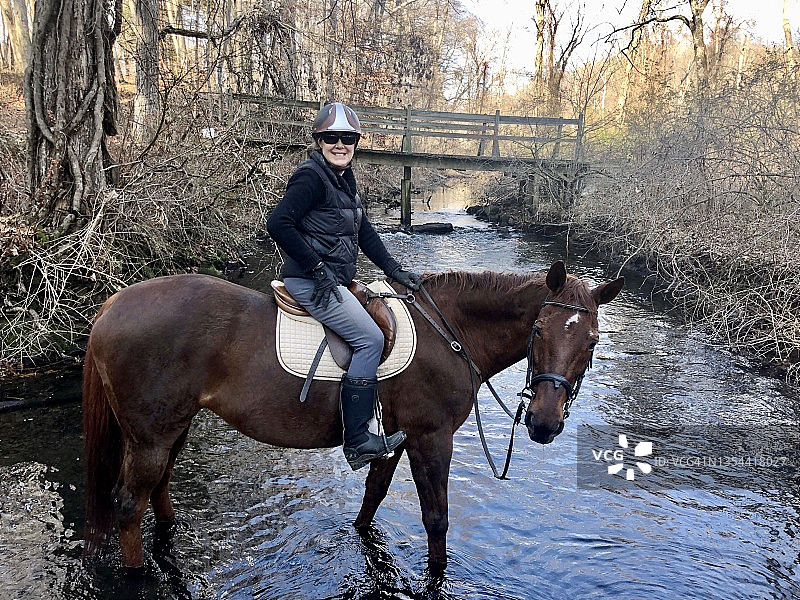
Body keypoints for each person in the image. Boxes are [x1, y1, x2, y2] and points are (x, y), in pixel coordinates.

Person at [267, 102, 422, 471]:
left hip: (334, 278)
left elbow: (364, 233)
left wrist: (395, 270)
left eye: (348, 138)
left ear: (355, 142)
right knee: (370, 339)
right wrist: (317, 268)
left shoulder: (345, 180)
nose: (341, 144)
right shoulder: (311, 177)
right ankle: (357, 440)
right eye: (332, 138)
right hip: (311, 281)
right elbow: (279, 223)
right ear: (320, 140)